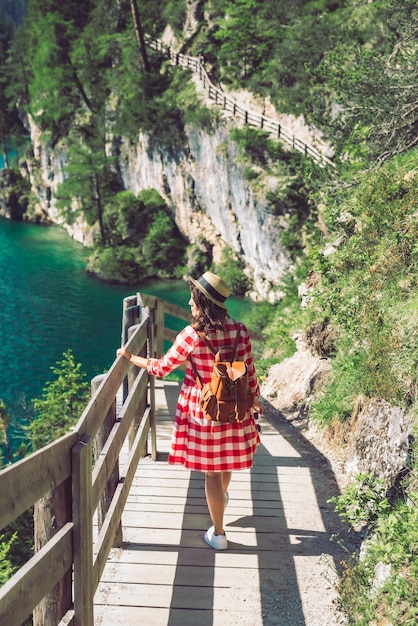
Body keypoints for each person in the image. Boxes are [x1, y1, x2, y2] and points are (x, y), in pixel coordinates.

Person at [117, 271, 262, 550]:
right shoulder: (240, 331)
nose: (188, 302)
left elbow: (161, 368)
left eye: (193, 298)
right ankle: (222, 497)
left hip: (205, 409)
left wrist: (130, 356)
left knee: (211, 473)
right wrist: (254, 399)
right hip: (235, 407)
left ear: (203, 303)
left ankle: (218, 534)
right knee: (225, 463)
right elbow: (249, 370)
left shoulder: (190, 336)